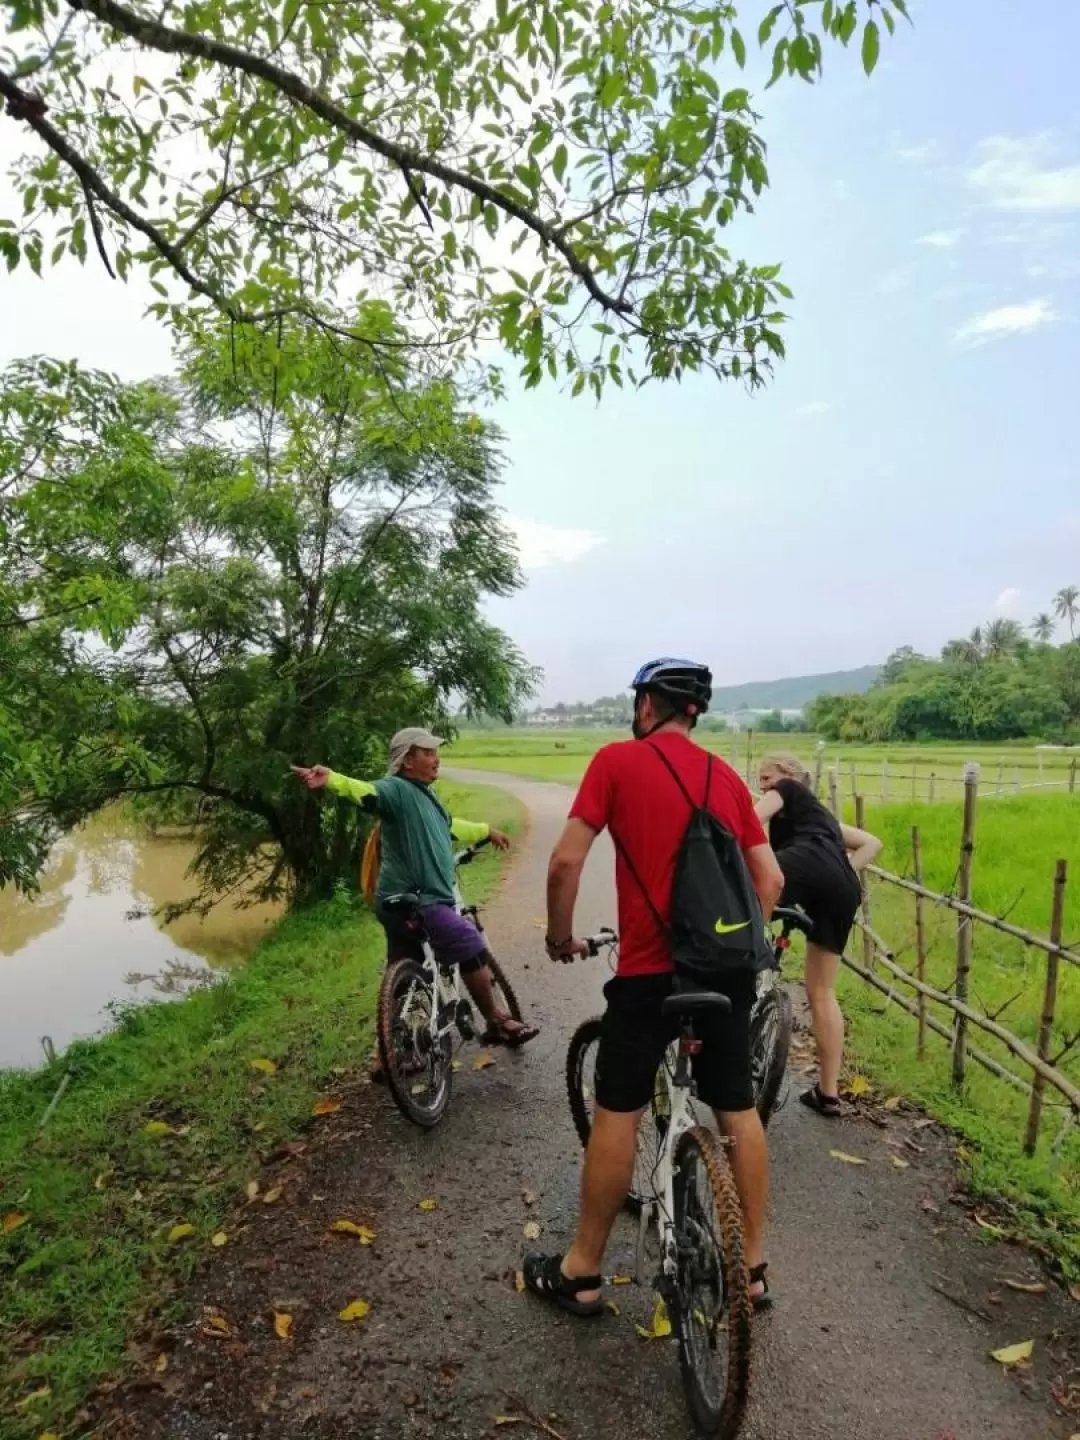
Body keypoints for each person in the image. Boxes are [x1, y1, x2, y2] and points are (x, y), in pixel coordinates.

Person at [524, 660, 784, 1317]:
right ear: (693, 713)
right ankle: (752, 1270)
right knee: (737, 1110)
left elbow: (564, 863)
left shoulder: (616, 762)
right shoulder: (724, 776)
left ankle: (582, 1270)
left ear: (646, 706)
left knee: (619, 1110)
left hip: (647, 974)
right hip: (724, 976)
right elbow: (771, 882)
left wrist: (559, 938)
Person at [291, 726, 538, 1049]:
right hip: (420, 899)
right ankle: (496, 1020)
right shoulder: (396, 789)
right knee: (468, 940)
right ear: (407, 760)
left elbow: (449, 826)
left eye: (436, 751)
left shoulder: (427, 798)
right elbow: (366, 793)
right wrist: (333, 780)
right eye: (427, 752)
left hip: (396, 902)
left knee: (404, 971)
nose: (436, 758)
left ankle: (390, 1055)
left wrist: (485, 830)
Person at [754, 753, 882, 1117]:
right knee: (823, 991)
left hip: (803, 864)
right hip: (843, 886)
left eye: (767, 778)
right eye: (759, 780)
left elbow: (749, 822)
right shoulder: (824, 819)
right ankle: (828, 1093)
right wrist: (841, 869)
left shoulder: (787, 789)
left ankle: (744, 970)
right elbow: (872, 843)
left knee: (736, 902)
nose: (762, 785)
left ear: (790, 777)